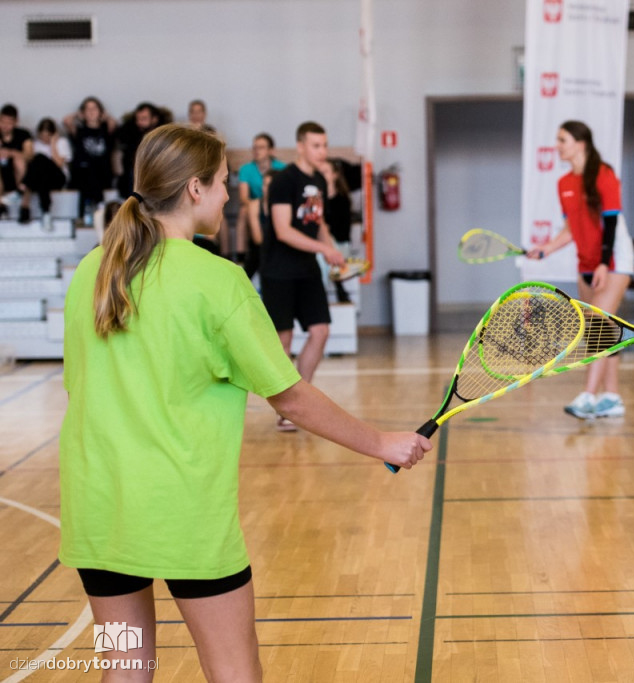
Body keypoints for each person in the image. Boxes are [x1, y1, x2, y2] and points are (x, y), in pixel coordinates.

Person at [59, 123, 429, 681]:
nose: (231, 195)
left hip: (97, 511)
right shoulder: (219, 281)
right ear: (194, 190)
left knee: (125, 668)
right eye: (225, 183)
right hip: (184, 515)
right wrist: (383, 442)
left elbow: (77, 385)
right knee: (234, 670)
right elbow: (292, 398)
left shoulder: (93, 269)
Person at [527, 120, 634, 419]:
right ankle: (611, 397)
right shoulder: (564, 184)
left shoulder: (604, 175)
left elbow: (611, 223)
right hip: (586, 263)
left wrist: (603, 262)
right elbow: (571, 229)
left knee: (598, 325)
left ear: (581, 144)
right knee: (603, 330)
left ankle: (588, 395)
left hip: (614, 261)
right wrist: (546, 248)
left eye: (563, 140)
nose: (557, 145)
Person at [262, 121, 346, 431]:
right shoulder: (284, 181)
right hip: (278, 270)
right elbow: (284, 230)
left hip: (307, 269)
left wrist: (333, 249)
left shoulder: (320, 183)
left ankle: (301, 399)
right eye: (315, 145)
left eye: (324, 145)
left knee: (321, 331)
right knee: (282, 343)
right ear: (300, 146)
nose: (322, 151)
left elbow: (318, 222)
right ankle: (287, 408)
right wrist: (323, 251)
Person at [237, 133, 287, 277]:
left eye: (261, 147)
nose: (256, 150)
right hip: (256, 206)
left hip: (277, 207)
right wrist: (261, 203)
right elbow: (243, 198)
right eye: (254, 147)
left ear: (271, 150)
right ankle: (240, 256)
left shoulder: (282, 168)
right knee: (244, 211)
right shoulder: (246, 169)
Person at [64, 96, 117, 219]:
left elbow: (113, 123)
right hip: (82, 173)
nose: (91, 111)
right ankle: (97, 206)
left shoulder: (105, 129)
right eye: (88, 109)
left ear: (100, 111)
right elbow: (66, 121)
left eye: (94, 108)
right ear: (83, 112)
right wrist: (78, 115)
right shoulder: (79, 130)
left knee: (94, 170)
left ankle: (90, 210)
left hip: (102, 172)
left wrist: (106, 117)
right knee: (87, 171)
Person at [17, 118, 72, 227]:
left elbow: (59, 164)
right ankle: (46, 213)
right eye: (42, 135)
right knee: (42, 175)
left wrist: (52, 144)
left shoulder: (62, 142)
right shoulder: (36, 144)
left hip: (59, 177)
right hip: (42, 180)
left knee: (40, 158)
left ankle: (24, 189)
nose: (44, 139)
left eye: (47, 136)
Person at [319, 158, 354, 303]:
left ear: (334, 175)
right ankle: (338, 286)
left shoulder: (342, 200)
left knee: (324, 245)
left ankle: (323, 290)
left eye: (325, 172)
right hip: (324, 246)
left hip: (339, 246)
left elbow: (341, 232)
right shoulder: (316, 200)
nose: (322, 176)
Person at [116, 102, 164, 199]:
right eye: (138, 119)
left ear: (154, 119)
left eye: (144, 119)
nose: (139, 122)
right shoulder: (130, 132)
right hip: (133, 175)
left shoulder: (163, 135)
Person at [0, 103, 34, 222]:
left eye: (9, 122)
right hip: (2, 175)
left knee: (19, 160)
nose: (5, 126)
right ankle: (1, 207)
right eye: (2, 122)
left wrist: (10, 152)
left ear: (16, 122)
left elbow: (29, 155)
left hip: (19, 175)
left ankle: (24, 206)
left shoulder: (23, 134)